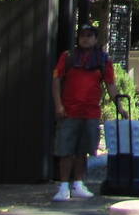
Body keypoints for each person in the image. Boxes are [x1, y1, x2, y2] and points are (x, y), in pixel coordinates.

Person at [51, 24, 123, 202]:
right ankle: (63, 186)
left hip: (90, 111)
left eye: (89, 35)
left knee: (84, 150)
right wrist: (58, 105)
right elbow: (56, 80)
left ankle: (78, 183)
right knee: (65, 150)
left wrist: (120, 106)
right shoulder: (67, 57)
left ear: (95, 39)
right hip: (69, 111)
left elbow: (110, 84)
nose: (85, 38)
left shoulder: (103, 60)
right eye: (82, 35)